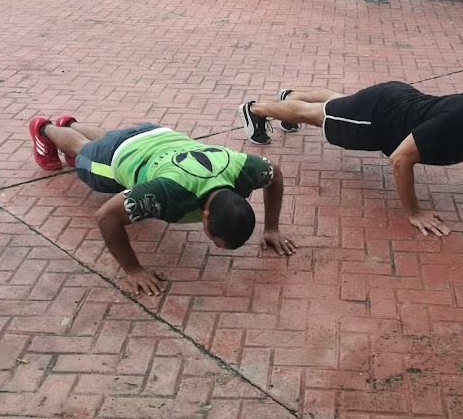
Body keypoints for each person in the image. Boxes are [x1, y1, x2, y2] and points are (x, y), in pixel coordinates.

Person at [28, 115, 297, 296]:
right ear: (204, 217)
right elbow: (106, 216)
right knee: (83, 149)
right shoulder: (167, 191)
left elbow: (275, 174)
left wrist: (271, 227)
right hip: (121, 157)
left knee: (111, 141)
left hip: (155, 134)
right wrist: (133, 270)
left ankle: (71, 122)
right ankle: (44, 128)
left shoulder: (246, 170)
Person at [239, 83, 463, 236]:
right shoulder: (460, 121)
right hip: (379, 119)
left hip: (397, 98)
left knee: (341, 104)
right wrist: (414, 213)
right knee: (317, 115)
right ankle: (255, 110)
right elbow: (399, 159)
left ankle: (291, 95)